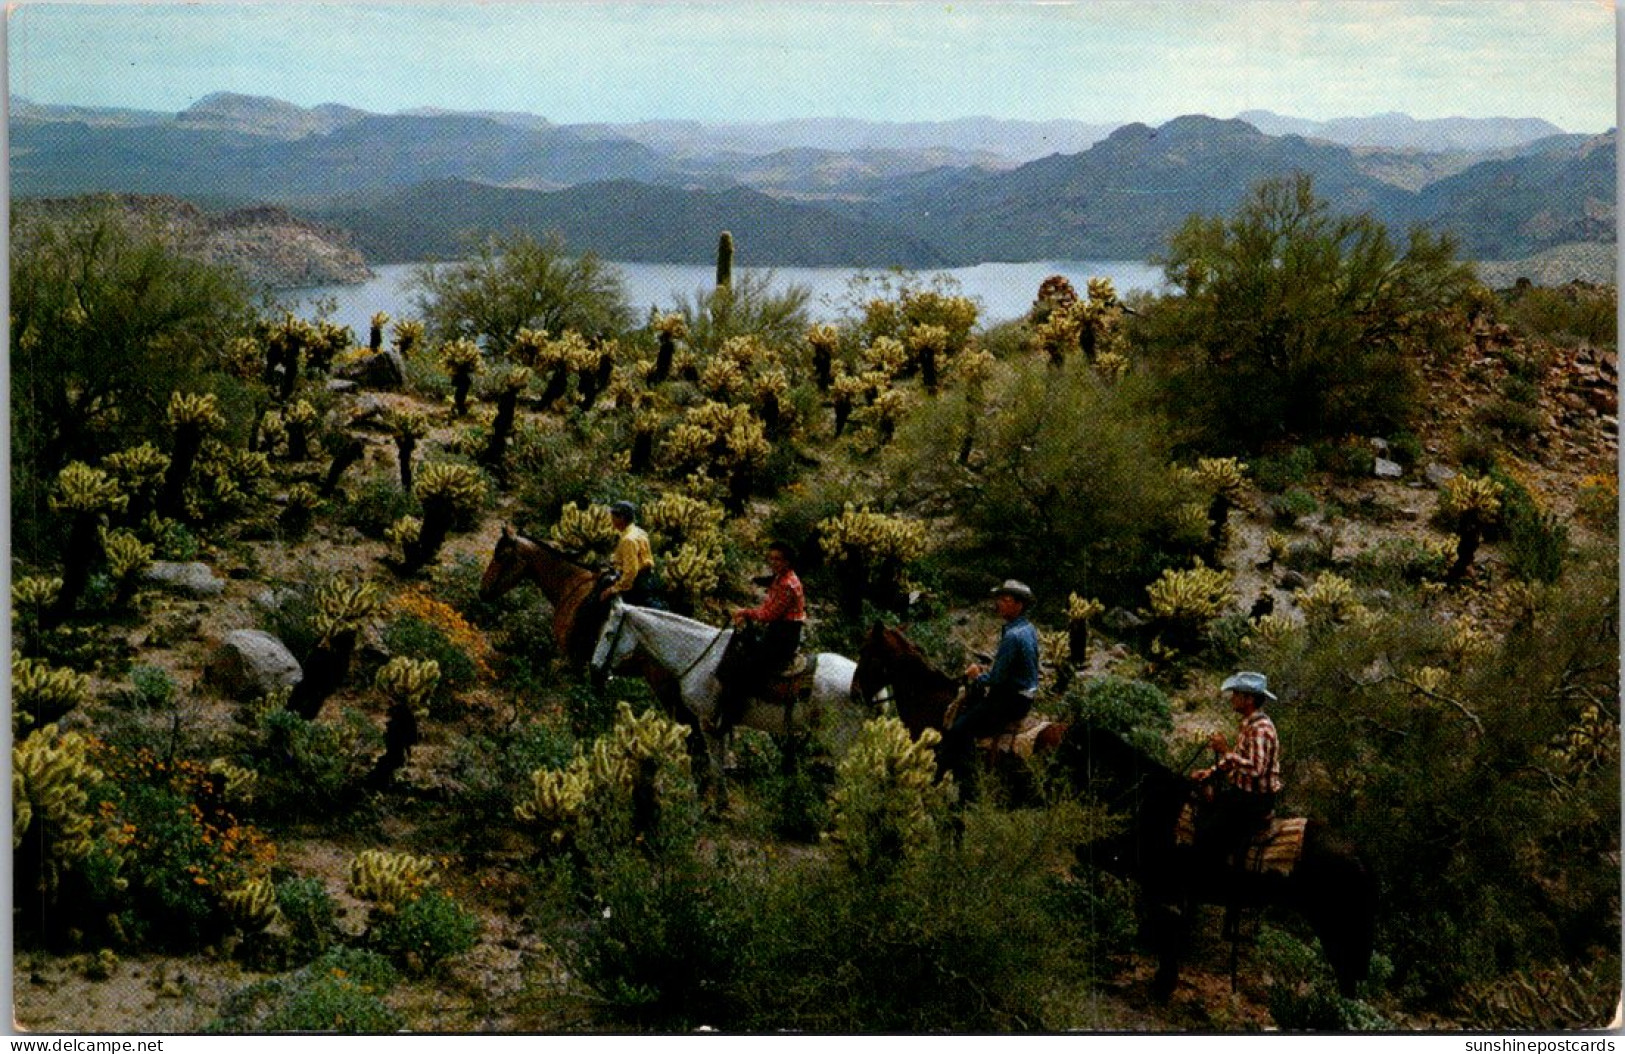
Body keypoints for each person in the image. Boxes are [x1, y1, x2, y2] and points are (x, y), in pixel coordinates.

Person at [938, 580, 1040, 800]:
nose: (1000, 604)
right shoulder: (1027, 629)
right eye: (1000, 599)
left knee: (960, 728)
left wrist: (976, 675)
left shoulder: (1013, 636)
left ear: (1019, 605)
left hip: (1009, 699)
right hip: (1025, 695)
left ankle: (968, 789)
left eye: (1006, 600)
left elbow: (997, 679)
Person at [1190, 671, 1283, 871]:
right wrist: (1211, 772)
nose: (1232, 698)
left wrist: (1224, 750)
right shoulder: (1249, 724)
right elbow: (1237, 759)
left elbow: (1256, 769)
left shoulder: (1261, 729)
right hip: (1242, 794)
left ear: (1248, 699)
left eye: (1236, 694)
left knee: (1207, 832)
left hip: (1255, 800)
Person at [712, 541, 806, 733]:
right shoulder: (780, 578)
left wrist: (744, 612)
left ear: (787, 562)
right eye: (771, 558)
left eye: (778, 559)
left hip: (783, 636)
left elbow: (769, 615)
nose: (773, 562)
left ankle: (730, 717)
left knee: (746, 669)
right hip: (778, 630)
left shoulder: (788, 584)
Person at [599, 501, 656, 606]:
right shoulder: (639, 531)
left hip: (635, 586)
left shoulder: (628, 540)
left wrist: (613, 590)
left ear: (621, 518)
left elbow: (630, 572)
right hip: (647, 579)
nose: (612, 520)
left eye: (614, 517)